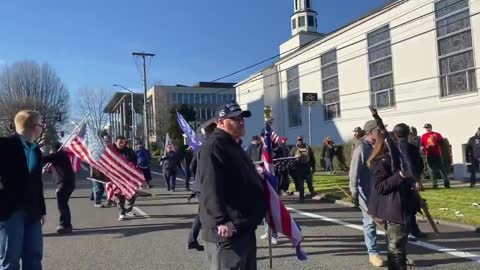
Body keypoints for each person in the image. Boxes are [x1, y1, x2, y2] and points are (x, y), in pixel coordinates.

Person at [198, 101, 266, 270]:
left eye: (242, 117)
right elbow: (209, 187)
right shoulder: (214, 146)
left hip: (244, 227)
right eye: (235, 118)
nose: (241, 121)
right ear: (221, 122)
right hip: (228, 232)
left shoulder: (233, 146)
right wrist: (221, 220)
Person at [0, 110, 45, 270]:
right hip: (9, 211)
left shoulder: (36, 150)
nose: (42, 128)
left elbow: (37, 183)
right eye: (41, 124)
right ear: (34, 127)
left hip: (32, 210)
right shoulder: (4, 145)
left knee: (34, 255)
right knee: (10, 257)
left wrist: (42, 210)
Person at [368, 128, 418, 270]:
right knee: (395, 249)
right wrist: (399, 176)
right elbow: (380, 186)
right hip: (394, 210)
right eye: (393, 142)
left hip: (403, 207)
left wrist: (412, 181)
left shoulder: (399, 159)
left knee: (398, 248)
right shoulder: (381, 160)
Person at [349, 120, 384, 267]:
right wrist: (354, 192)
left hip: (382, 189)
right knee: (370, 222)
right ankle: (373, 253)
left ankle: (395, 251)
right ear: (370, 132)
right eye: (378, 130)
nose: (381, 132)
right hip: (367, 191)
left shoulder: (382, 145)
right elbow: (353, 173)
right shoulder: (361, 149)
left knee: (387, 219)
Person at [393, 123, 427, 241]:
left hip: (399, 180)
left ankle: (413, 230)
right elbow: (411, 164)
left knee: (409, 207)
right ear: (408, 133)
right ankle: (410, 231)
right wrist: (416, 180)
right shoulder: (409, 148)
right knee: (408, 208)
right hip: (408, 181)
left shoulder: (393, 147)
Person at [186, 122, 217, 252]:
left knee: (201, 214)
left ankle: (192, 240)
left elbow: (192, 167)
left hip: (200, 186)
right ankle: (214, 242)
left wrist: (197, 179)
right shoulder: (212, 146)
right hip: (207, 186)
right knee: (211, 212)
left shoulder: (201, 147)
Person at [43, 143, 76, 234]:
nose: (50, 152)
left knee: (62, 205)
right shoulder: (60, 156)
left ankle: (66, 225)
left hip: (64, 183)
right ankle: (67, 223)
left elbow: (42, 159)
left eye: (50, 151)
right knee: (63, 204)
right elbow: (56, 170)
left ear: (54, 150)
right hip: (67, 183)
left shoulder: (58, 155)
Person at [113, 136, 138, 221]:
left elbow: (135, 161)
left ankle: (128, 210)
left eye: (123, 142)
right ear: (116, 142)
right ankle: (121, 212)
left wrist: (131, 166)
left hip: (128, 176)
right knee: (119, 196)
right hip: (116, 177)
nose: (121, 144)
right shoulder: (111, 151)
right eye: (120, 142)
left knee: (132, 194)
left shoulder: (129, 151)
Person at [420, 124, 450, 188]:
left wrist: (435, 141)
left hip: (434, 154)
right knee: (435, 170)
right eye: (426, 128)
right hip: (431, 154)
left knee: (438, 169)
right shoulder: (425, 135)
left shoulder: (435, 134)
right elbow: (422, 145)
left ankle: (443, 183)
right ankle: (437, 184)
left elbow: (441, 142)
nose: (427, 129)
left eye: (427, 128)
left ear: (430, 128)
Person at [290, 136, 316, 201]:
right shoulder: (295, 148)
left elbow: (312, 157)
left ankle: (310, 192)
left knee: (309, 181)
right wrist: (292, 166)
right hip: (299, 168)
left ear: (302, 140)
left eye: (300, 139)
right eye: (299, 139)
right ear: (297, 140)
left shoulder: (306, 147)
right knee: (301, 183)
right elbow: (291, 157)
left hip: (305, 167)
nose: (300, 141)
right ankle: (302, 196)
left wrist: (313, 166)